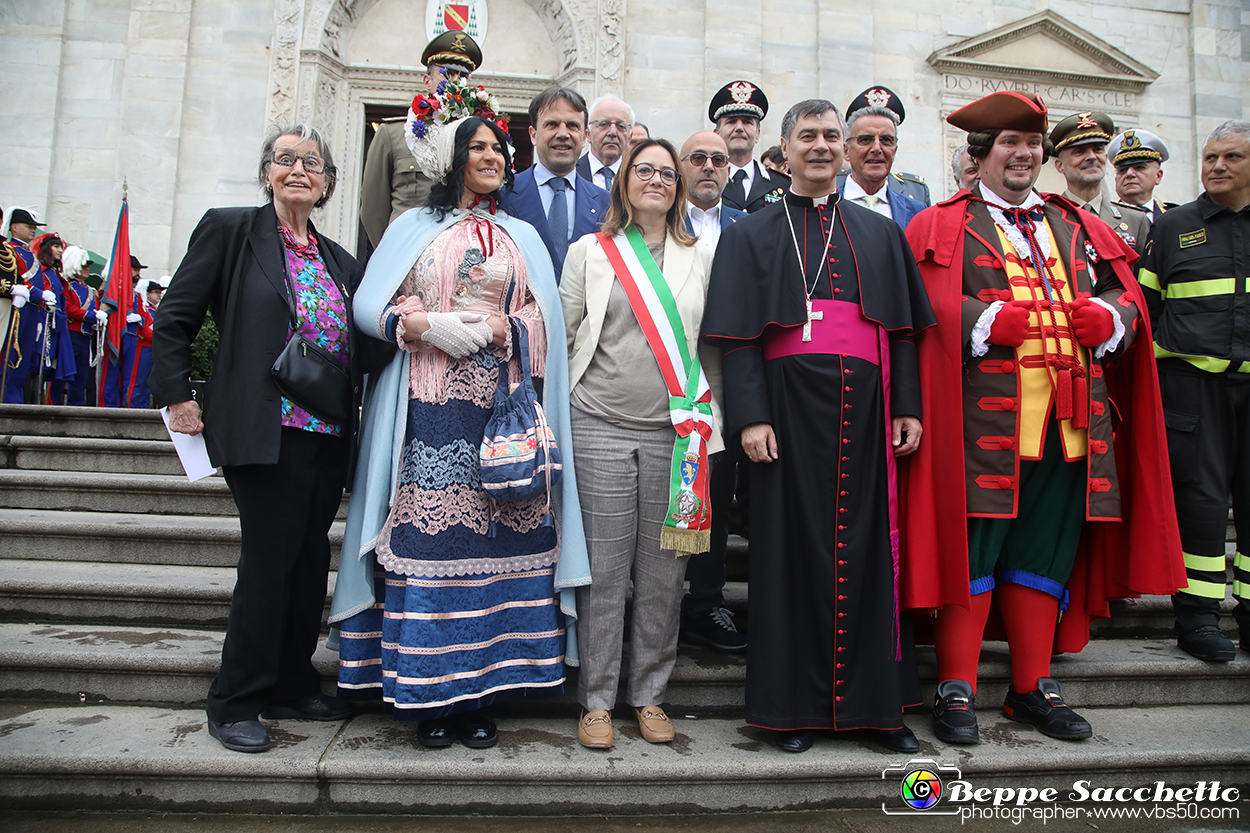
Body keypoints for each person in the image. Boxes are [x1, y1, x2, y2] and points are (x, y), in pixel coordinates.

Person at [903, 91, 1184, 746]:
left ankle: (1031, 686)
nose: (1025, 154)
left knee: (1044, 555)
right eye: (1010, 143)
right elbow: (917, 305)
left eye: (1033, 144)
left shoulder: (1077, 223)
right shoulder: (942, 223)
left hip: (1071, 428)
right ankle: (957, 686)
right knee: (972, 555)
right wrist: (982, 319)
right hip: (980, 431)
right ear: (979, 158)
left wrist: (1116, 315)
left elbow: (1127, 290)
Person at [331, 116, 590, 750]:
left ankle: (483, 695)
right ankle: (430, 696)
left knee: (505, 550)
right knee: (430, 548)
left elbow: (544, 314)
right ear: (452, 158)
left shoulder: (522, 233)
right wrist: (425, 325)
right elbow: (369, 305)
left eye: (499, 148)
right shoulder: (411, 227)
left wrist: (509, 330)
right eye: (477, 147)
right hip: (431, 415)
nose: (492, 157)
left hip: (505, 417)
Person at [701, 99, 935, 755]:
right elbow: (739, 340)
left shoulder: (879, 233)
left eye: (833, 135)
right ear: (786, 148)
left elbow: (904, 334)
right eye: (810, 135)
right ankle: (792, 709)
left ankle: (877, 710)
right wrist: (749, 417)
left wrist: (906, 405)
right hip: (783, 411)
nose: (823, 146)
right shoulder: (750, 233)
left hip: (865, 413)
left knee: (870, 552)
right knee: (786, 557)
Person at [152, 123, 386, 754]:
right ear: (267, 173)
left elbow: (367, 344)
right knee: (269, 559)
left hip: (328, 431)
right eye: (286, 160)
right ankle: (236, 698)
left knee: (310, 557)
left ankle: (290, 677)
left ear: (330, 182)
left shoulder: (339, 259)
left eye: (312, 162)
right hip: (264, 426)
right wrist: (177, 394)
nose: (299, 171)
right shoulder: (232, 231)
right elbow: (176, 315)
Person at [561, 137, 722, 750]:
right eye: (643, 170)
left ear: (678, 187)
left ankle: (649, 694)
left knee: (663, 572)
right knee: (604, 573)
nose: (655, 180)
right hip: (597, 425)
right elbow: (568, 333)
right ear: (624, 181)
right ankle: (597, 700)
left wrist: (714, 421)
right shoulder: (590, 252)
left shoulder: (701, 254)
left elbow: (712, 345)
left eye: (665, 173)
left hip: (675, 436)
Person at [1137, 119, 1250, 661]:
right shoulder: (1175, 227)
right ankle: (1199, 619)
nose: (1218, 167)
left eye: (1231, 157)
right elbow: (1144, 310)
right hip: (1192, 387)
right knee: (1201, 505)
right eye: (1210, 158)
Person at [677, 130, 748, 654]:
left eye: (718, 160)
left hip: (724, 373)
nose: (708, 167)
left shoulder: (750, 227)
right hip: (664, 368)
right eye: (698, 158)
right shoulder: (656, 220)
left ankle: (705, 601)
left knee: (715, 493)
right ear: (682, 166)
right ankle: (653, 603)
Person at [359, 31, 484, 251]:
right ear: (427, 81)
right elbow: (372, 210)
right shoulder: (393, 134)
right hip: (407, 252)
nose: (455, 82)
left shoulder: (481, 139)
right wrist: (394, 251)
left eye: (462, 76)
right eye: (446, 74)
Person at [501, 86, 610, 277]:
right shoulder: (504, 194)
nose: (562, 134)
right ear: (533, 134)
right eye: (551, 124)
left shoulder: (606, 203)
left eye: (572, 126)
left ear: (585, 137)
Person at [1049, 111, 1150, 252]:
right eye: (1079, 151)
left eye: (1098, 149)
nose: (1092, 157)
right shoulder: (1046, 217)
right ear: (1060, 165)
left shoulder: (1135, 220)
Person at [836, 87, 930, 228]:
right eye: (866, 139)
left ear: (895, 150)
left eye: (886, 140)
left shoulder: (917, 211)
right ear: (846, 151)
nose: (877, 149)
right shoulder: (825, 203)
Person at [711, 81, 789, 213]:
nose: (739, 128)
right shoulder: (705, 180)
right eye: (731, 122)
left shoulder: (783, 184)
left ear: (758, 134)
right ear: (717, 134)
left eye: (747, 122)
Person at [27, 232, 76, 403]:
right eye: (56, 246)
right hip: (43, 322)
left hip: (57, 324)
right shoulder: (39, 270)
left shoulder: (54, 273)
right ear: (47, 248)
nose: (60, 250)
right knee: (37, 365)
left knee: (52, 367)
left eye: (61, 247)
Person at [2, 207, 42, 404]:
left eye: (34, 227)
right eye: (29, 226)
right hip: (16, 308)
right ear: (14, 227)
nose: (33, 230)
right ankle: (8, 398)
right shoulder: (8, 250)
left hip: (31, 309)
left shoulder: (31, 254)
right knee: (12, 356)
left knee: (24, 358)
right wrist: (39, 294)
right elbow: (16, 280)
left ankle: (15, 399)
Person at [58, 245, 106, 407]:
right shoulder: (68, 287)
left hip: (86, 338)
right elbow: (69, 309)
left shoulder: (91, 290)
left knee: (81, 379)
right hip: (70, 336)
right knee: (63, 376)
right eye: (83, 265)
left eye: (88, 266)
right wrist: (91, 316)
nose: (87, 269)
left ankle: (75, 410)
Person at [1108, 129, 1176, 225]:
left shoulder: (1175, 217)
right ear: (1116, 179)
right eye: (1122, 170)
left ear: (1158, 176)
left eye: (1139, 167)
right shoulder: (1104, 219)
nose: (1129, 173)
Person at [576, 96, 635, 190]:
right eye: (603, 124)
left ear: (629, 138)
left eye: (621, 126)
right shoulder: (571, 173)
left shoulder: (636, 177)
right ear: (588, 134)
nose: (612, 132)